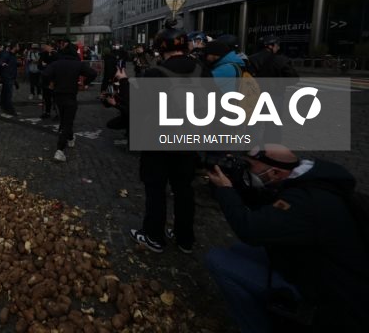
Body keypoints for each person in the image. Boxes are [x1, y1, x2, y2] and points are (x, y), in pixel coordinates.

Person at [205, 144, 369, 333]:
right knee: (236, 251)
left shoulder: (305, 203)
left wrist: (225, 190)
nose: (246, 170)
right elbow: (265, 207)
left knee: (217, 260)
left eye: (250, 167)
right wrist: (241, 183)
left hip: (325, 293)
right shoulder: (306, 177)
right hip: (303, 262)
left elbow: (250, 230)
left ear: (275, 172)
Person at [118, 26, 209, 253]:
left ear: (161, 48)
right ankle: (184, 237)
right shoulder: (202, 70)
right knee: (184, 190)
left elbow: (139, 108)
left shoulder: (156, 73)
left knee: (156, 189)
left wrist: (124, 83)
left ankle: (154, 236)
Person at [41, 43, 97, 162]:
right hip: (71, 95)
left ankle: (71, 138)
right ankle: (60, 149)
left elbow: (45, 74)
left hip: (58, 96)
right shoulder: (78, 64)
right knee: (67, 121)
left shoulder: (56, 63)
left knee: (65, 119)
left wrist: (51, 84)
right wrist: (85, 83)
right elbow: (93, 73)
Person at [0, 42, 19, 115]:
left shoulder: (13, 55)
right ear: (14, 47)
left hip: (11, 77)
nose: (18, 47)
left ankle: (4, 106)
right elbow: (0, 62)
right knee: (8, 94)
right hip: (8, 77)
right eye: (17, 46)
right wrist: (2, 64)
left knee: (5, 93)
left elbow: (13, 66)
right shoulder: (7, 54)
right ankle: (10, 109)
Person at [38, 41, 58, 119]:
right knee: (46, 97)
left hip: (53, 79)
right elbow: (39, 65)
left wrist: (46, 64)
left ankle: (57, 113)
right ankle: (47, 112)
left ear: (50, 46)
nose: (44, 47)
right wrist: (44, 65)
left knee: (55, 97)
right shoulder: (43, 54)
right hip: (45, 78)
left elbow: (55, 65)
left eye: (46, 46)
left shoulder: (56, 54)